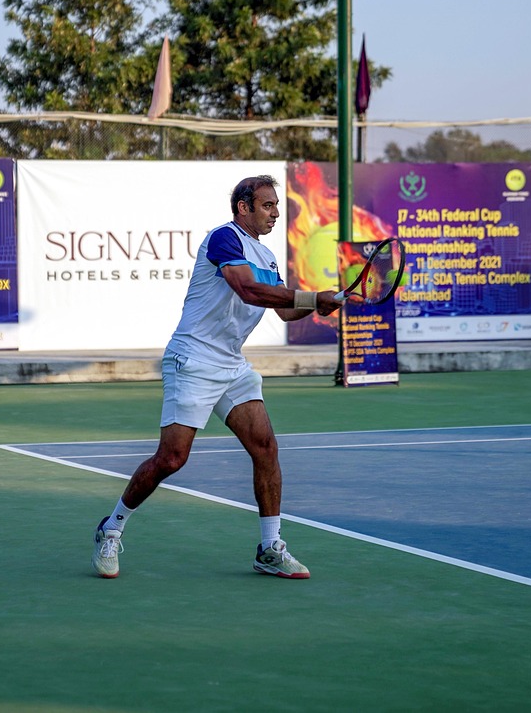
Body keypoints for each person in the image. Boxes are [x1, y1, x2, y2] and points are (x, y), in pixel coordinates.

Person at [92, 174, 343, 579]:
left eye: (277, 205)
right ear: (243, 207)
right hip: (192, 358)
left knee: (265, 448)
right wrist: (314, 298)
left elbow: (284, 309)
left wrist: (323, 304)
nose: (276, 213)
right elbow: (248, 291)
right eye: (267, 205)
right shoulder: (224, 238)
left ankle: (269, 548)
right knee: (172, 458)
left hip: (231, 364)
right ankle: (112, 527)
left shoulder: (267, 258)